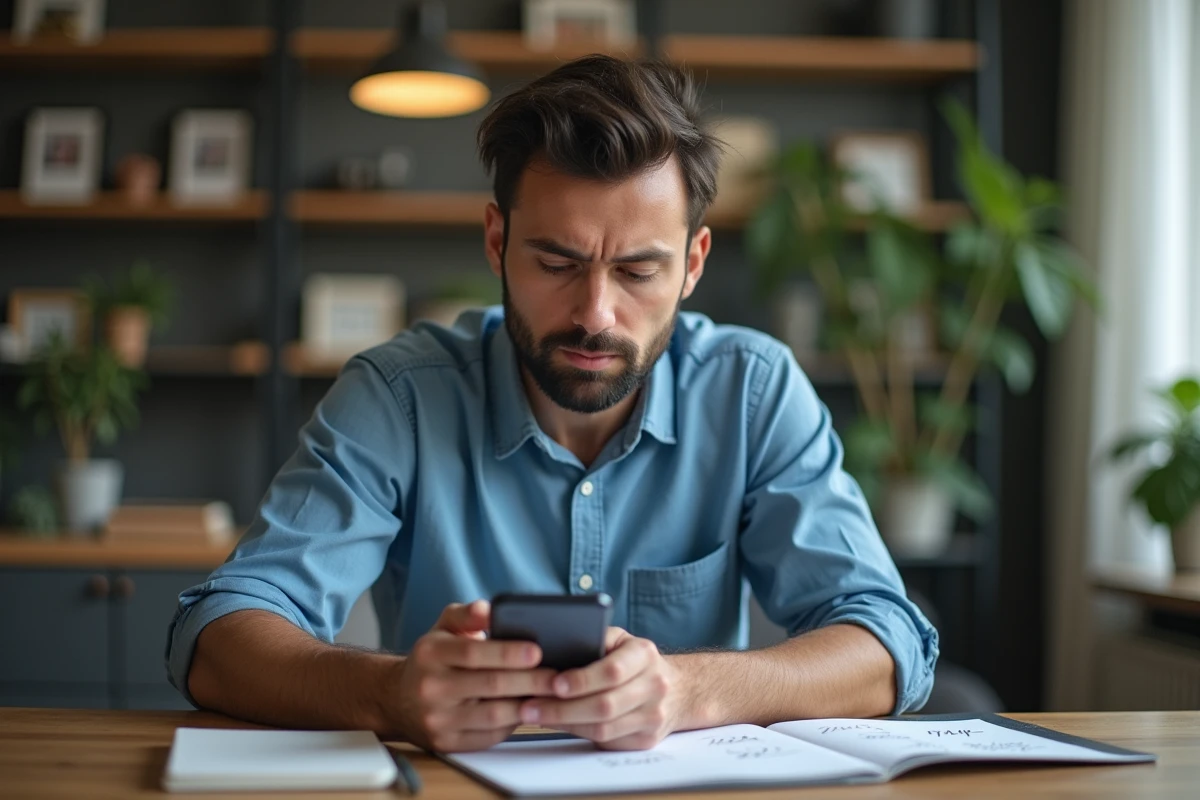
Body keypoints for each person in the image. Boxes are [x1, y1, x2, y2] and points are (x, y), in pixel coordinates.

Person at [166, 55, 938, 754]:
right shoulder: (398, 397)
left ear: (693, 264)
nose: (595, 313)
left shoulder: (752, 392)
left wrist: (689, 690)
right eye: (557, 262)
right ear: (497, 241)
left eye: (638, 271)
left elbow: (886, 641)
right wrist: (390, 694)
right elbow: (216, 636)